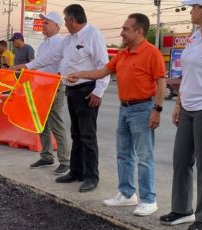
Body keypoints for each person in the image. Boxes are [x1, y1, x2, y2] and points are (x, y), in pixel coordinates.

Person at [67, 13, 166, 216]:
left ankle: (149, 200)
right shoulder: (122, 54)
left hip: (143, 109)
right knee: (123, 154)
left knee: (144, 157)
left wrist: (157, 110)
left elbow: (161, 82)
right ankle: (127, 194)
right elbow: (101, 72)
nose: (122, 33)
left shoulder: (152, 53)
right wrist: (79, 75)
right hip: (124, 109)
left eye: (126, 29)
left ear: (139, 31)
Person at [24, 4, 110, 193]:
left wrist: (99, 91)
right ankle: (76, 171)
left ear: (72, 19)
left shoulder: (92, 34)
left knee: (88, 136)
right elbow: (51, 57)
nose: (65, 24)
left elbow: (104, 65)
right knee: (76, 134)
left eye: (65, 20)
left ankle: (91, 176)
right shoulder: (69, 40)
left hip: (87, 90)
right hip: (71, 90)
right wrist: (28, 67)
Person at [159, 0, 202, 229]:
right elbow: (186, 76)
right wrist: (179, 104)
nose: (190, 11)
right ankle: (182, 210)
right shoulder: (196, 37)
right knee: (181, 161)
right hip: (188, 107)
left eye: (193, 7)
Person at [10, 12, 70, 175]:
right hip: (41, 87)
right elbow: (38, 65)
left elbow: (46, 63)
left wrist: (23, 67)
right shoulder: (43, 44)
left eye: (46, 23)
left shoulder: (61, 43)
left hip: (54, 86)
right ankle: (46, 156)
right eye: (43, 23)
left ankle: (65, 161)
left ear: (56, 26)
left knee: (56, 122)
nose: (43, 25)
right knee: (41, 123)